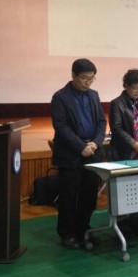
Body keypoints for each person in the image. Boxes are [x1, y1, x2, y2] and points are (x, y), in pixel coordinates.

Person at [51, 58, 106, 249]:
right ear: (73, 75)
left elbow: (101, 122)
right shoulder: (60, 97)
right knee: (68, 196)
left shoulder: (94, 95)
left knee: (89, 195)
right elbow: (60, 126)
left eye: (92, 78)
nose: (88, 82)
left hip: (92, 151)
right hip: (70, 154)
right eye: (84, 78)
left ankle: (83, 230)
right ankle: (67, 234)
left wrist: (96, 142)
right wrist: (80, 146)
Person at [108, 68, 138, 237]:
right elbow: (116, 128)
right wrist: (133, 144)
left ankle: (136, 221)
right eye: (135, 88)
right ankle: (122, 224)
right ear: (126, 86)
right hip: (123, 153)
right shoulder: (117, 104)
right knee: (123, 189)